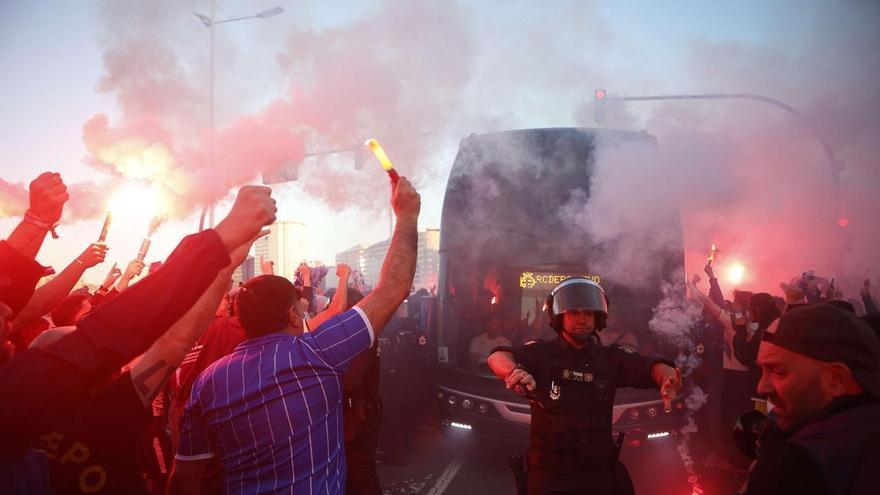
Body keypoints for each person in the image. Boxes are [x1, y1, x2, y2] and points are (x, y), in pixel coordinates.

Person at [168, 177, 420, 494]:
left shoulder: (207, 382)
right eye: (299, 311)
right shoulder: (318, 352)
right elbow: (394, 288)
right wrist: (407, 215)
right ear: (291, 314)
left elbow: (184, 479)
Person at [487, 277, 682, 495]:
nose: (582, 320)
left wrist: (666, 378)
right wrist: (513, 372)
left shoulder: (611, 358)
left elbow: (650, 367)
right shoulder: (541, 354)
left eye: (588, 313)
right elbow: (498, 356)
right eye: (575, 313)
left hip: (597, 476)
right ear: (559, 317)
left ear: (598, 318)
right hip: (550, 476)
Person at [741, 303, 880, 494]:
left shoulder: (793, 470)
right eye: (763, 370)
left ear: (836, 379)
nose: (762, 387)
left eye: (779, 372)